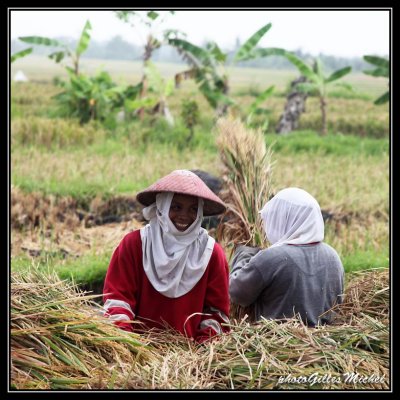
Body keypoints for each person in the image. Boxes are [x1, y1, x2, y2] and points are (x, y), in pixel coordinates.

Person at [103, 169, 230, 343]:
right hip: (137, 349)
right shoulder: (135, 245)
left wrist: (199, 357)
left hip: (188, 358)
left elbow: (216, 315)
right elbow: (118, 301)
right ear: (162, 207)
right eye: (176, 207)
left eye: (193, 209)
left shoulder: (210, 253)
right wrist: (129, 347)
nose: (184, 215)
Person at [229, 187, 344, 327]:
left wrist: (244, 254)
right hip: (326, 341)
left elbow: (237, 293)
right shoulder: (333, 256)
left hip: (279, 343)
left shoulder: (273, 258)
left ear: (283, 219)